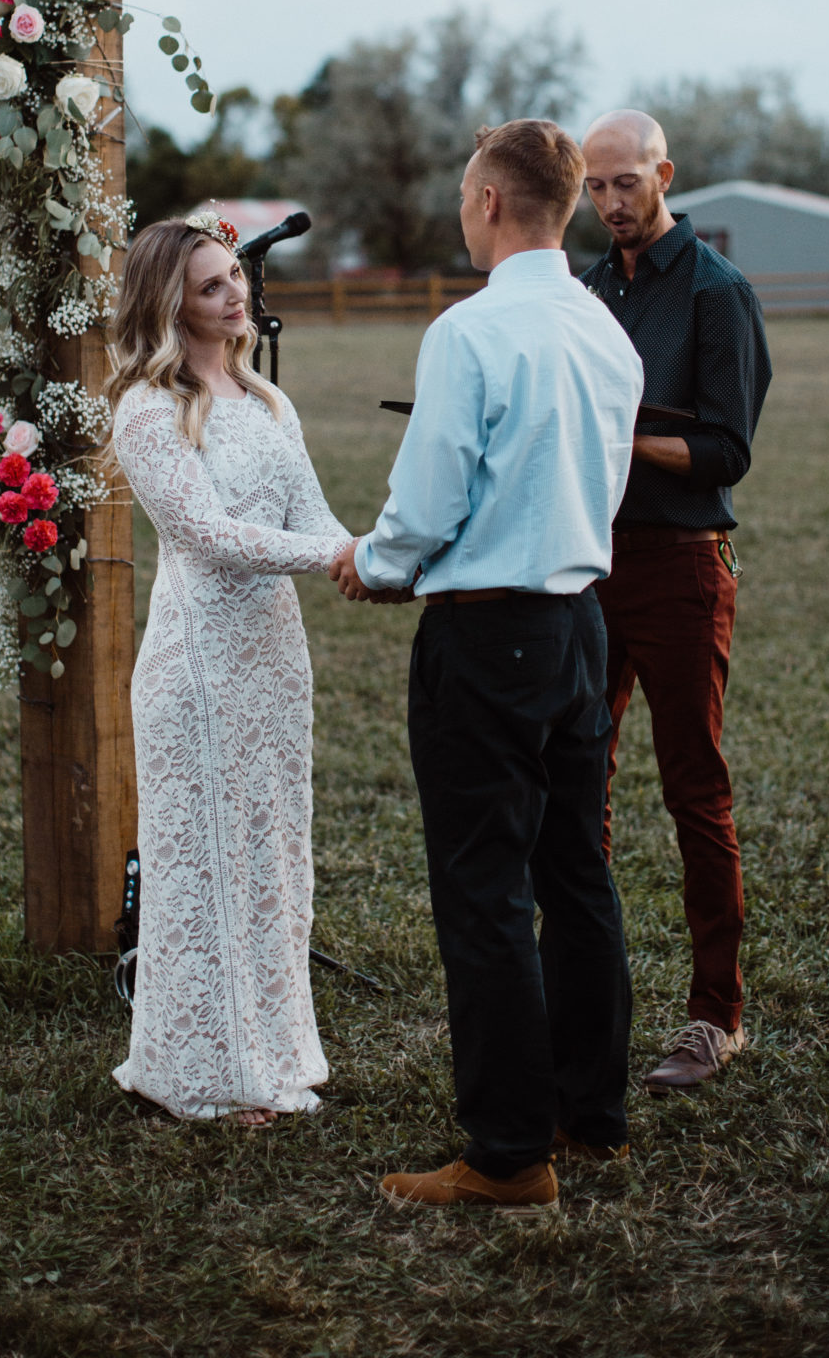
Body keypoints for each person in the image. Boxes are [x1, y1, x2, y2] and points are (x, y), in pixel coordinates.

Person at [330, 120, 644, 1211]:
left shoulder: (468, 333)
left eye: (467, 192)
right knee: (576, 868)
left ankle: (510, 1152)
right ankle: (589, 1109)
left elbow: (426, 505)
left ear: (495, 202)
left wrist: (371, 563)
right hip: (577, 622)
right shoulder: (607, 331)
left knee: (485, 890)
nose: (463, 209)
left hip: (487, 634)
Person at [106, 213, 352, 1126]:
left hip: (273, 657)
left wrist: (380, 559)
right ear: (170, 302)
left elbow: (316, 515)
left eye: (235, 278)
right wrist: (337, 555)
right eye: (211, 286)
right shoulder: (144, 407)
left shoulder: (267, 403)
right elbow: (208, 538)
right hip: (198, 664)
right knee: (203, 861)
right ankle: (206, 1072)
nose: (236, 294)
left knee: (269, 854)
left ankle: (277, 1052)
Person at [579, 110, 772, 1094]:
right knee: (580, 780)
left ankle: (715, 1013)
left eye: (625, 182)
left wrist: (618, 440)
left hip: (684, 565)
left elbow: (728, 451)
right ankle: (586, 1000)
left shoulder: (716, 292)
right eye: (595, 187)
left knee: (694, 788)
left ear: (664, 172)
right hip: (585, 561)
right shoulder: (586, 286)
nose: (611, 202)